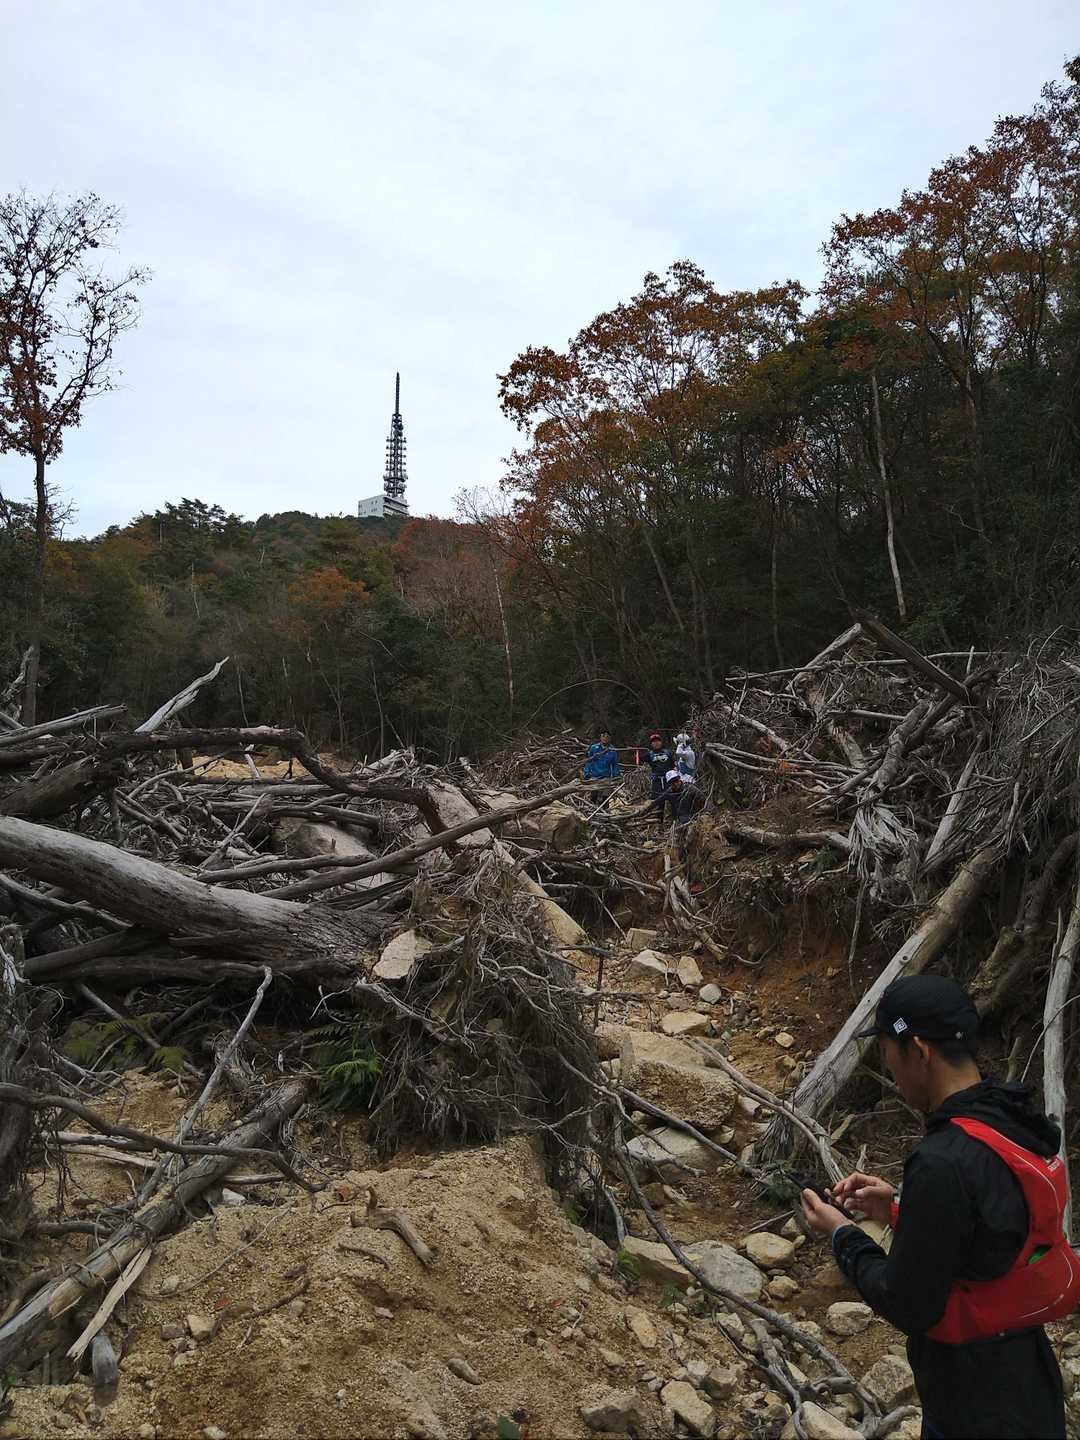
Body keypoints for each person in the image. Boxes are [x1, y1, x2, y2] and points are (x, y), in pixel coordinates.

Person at [800, 974, 1080, 1440]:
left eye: (888, 1051)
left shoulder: (941, 1161)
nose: (891, 1069)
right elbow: (991, 1231)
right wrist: (896, 1210)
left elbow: (907, 1303)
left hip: (970, 1403)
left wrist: (842, 1234)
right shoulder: (1010, 1118)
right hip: (1030, 1383)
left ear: (918, 1051)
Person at [643, 732, 675, 826]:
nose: (656, 743)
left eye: (657, 741)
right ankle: (658, 824)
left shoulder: (668, 752)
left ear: (661, 742)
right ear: (651, 744)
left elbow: (673, 765)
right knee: (658, 802)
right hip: (656, 782)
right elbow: (640, 759)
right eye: (653, 742)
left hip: (668, 781)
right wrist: (636, 752)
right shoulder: (650, 754)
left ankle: (674, 822)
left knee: (672, 800)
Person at [582, 729, 620, 803]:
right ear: (600, 737)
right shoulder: (594, 748)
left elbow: (615, 764)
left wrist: (616, 776)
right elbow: (589, 761)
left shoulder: (612, 750)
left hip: (606, 776)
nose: (605, 738)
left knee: (606, 797)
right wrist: (586, 773)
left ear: (610, 738)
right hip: (594, 775)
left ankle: (605, 808)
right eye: (603, 736)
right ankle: (592, 807)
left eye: (607, 737)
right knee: (593, 795)